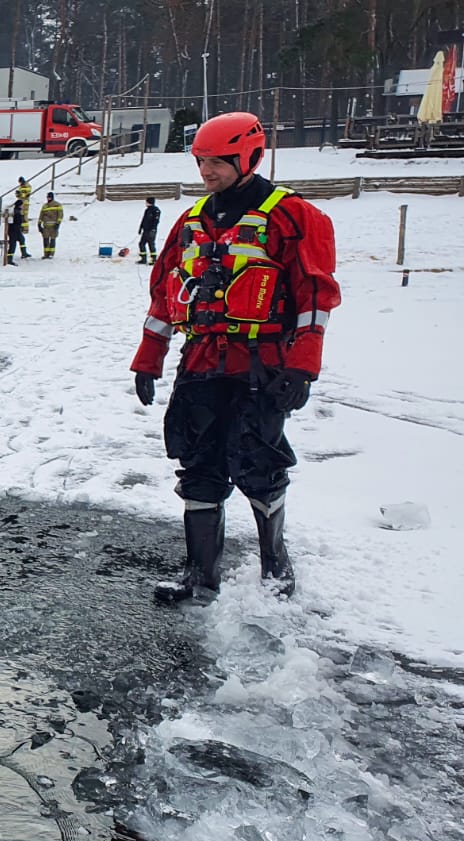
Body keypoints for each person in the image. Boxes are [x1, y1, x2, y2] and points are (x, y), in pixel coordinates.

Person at [130, 111, 341, 603]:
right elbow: (165, 293)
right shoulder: (192, 221)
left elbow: (314, 296)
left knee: (259, 463)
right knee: (198, 462)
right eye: (202, 162)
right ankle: (199, 576)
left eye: (217, 163)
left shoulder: (293, 216)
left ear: (248, 155)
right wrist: (148, 356)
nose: (207, 172)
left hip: (262, 362)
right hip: (202, 361)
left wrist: (302, 365)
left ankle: (276, 568)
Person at [38, 192, 64, 259]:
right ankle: (46, 254)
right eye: (47, 197)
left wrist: (58, 223)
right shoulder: (45, 206)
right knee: (45, 240)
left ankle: (51, 254)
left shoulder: (57, 205)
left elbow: (60, 215)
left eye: (49, 197)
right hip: (46, 227)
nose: (48, 198)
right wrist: (39, 224)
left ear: (52, 197)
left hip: (53, 227)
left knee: (52, 240)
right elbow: (41, 215)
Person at [137, 197, 161, 265]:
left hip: (151, 230)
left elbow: (156, 221)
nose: (145, 203)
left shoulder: (156, 210)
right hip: (145, 230)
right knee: (141, 244)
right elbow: (144, 220)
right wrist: (141, 228)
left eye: (146, 202)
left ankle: (153, 259)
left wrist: (153, 229)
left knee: (151, 244)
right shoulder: (147, 210)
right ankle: (143, 258)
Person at [13, 176, 33, 257]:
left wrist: (20, 194)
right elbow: (20, 196)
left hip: (25, 202)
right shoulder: (21, 187)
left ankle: (25, 229)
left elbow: (27, 194)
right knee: (21, 216)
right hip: (21, 202)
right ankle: (22, 228)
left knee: (24, 216)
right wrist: (18, 195)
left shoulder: (27, 186)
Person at [3, 197, 25, 266]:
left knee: (22, 240)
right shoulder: (16, 212)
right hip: (14, 230)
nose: (23, 206)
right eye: (22, 205)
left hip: (16, 230)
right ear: (19, 205)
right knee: (13, 245)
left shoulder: (16, 211)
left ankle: (24, 253)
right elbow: (18, 221)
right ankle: (9, 259)